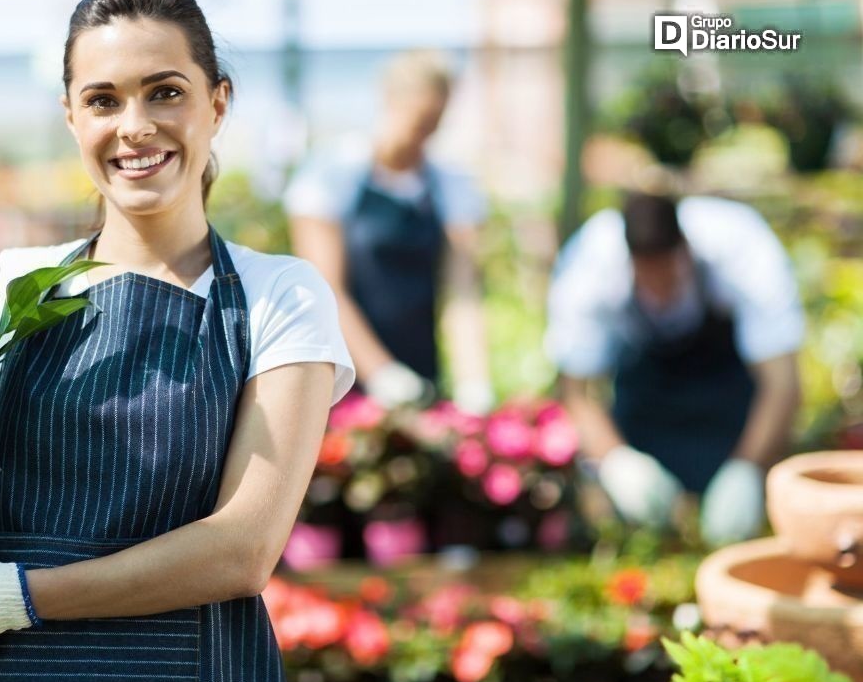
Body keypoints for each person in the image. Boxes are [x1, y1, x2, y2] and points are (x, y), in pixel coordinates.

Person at [0, 0, 354, 682]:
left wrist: (11, 596)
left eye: (165, 92)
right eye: (104, 99)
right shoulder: (8, 287)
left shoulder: (276, 295)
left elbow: (241, 549)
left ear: (217, 103)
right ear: (71, 115)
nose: (134, 126)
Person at [546, 191, 803, 546]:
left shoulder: (743, 248)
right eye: (646, 276)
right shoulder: (589, 265)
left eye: (667, 274)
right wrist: (616, 460)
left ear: (685, 250)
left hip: (728, 404)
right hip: (645, 405)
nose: (659, 289)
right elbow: (575, 392)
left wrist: (748, 468)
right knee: (639, 531)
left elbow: (782, 384)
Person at [284, 50, 491, 412]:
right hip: (344, 379)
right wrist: (381, 373)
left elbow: (462, 290)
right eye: (419, 122)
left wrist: (473, 380)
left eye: (434, 125)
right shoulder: (331, 175)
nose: (422, 137)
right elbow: (324, 288)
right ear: (389, 100)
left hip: (420, 370)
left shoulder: (450, 185)